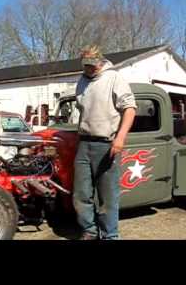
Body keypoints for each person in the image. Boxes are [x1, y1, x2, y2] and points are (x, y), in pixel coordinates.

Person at [73, 45, 137, 240]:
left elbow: (130, 108)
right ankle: (90, 231)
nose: (89, 68)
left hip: (106, 144)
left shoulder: (113, 78)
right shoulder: (82, 81)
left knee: (108, 196)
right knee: (81, 194)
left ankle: (110, 235)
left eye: (92, 64)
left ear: (100, 61)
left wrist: (120, 137)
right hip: (84, 143)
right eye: (85, 65)